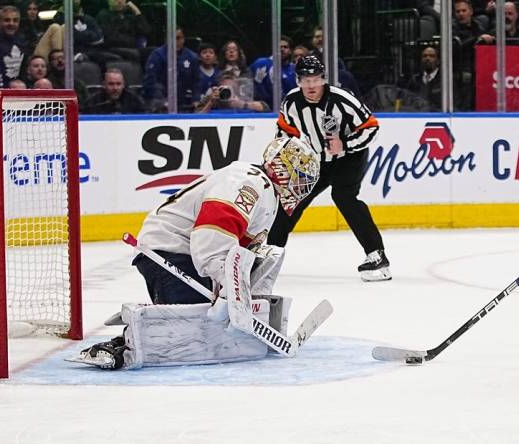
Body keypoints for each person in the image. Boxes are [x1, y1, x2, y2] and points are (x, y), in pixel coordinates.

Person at [72, 137, 321, 369]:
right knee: (192, 328)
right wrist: (228, 290)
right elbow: (212, 239)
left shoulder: (265, 193)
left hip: (186, 252)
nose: (302, 186)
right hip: (168, 252)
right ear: (282, 168)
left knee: (210, 322)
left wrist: (241, 296)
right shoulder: (247, 183)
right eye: (300, 177)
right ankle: (118, 347)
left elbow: (238, 252)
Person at [268, 55, 390, 282]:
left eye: (315, 79)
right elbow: (285, 130)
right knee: (292, 199)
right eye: (305, 80)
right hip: (317, 160)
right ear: (298, 81)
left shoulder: (342, 99)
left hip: (349, 157)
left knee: (344, 196)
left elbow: (371, 127)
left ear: (323, 79)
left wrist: (346, 144)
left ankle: (377, 256)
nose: (311, 85)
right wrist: (283, 153)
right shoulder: (292, 102)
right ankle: (269, 254)